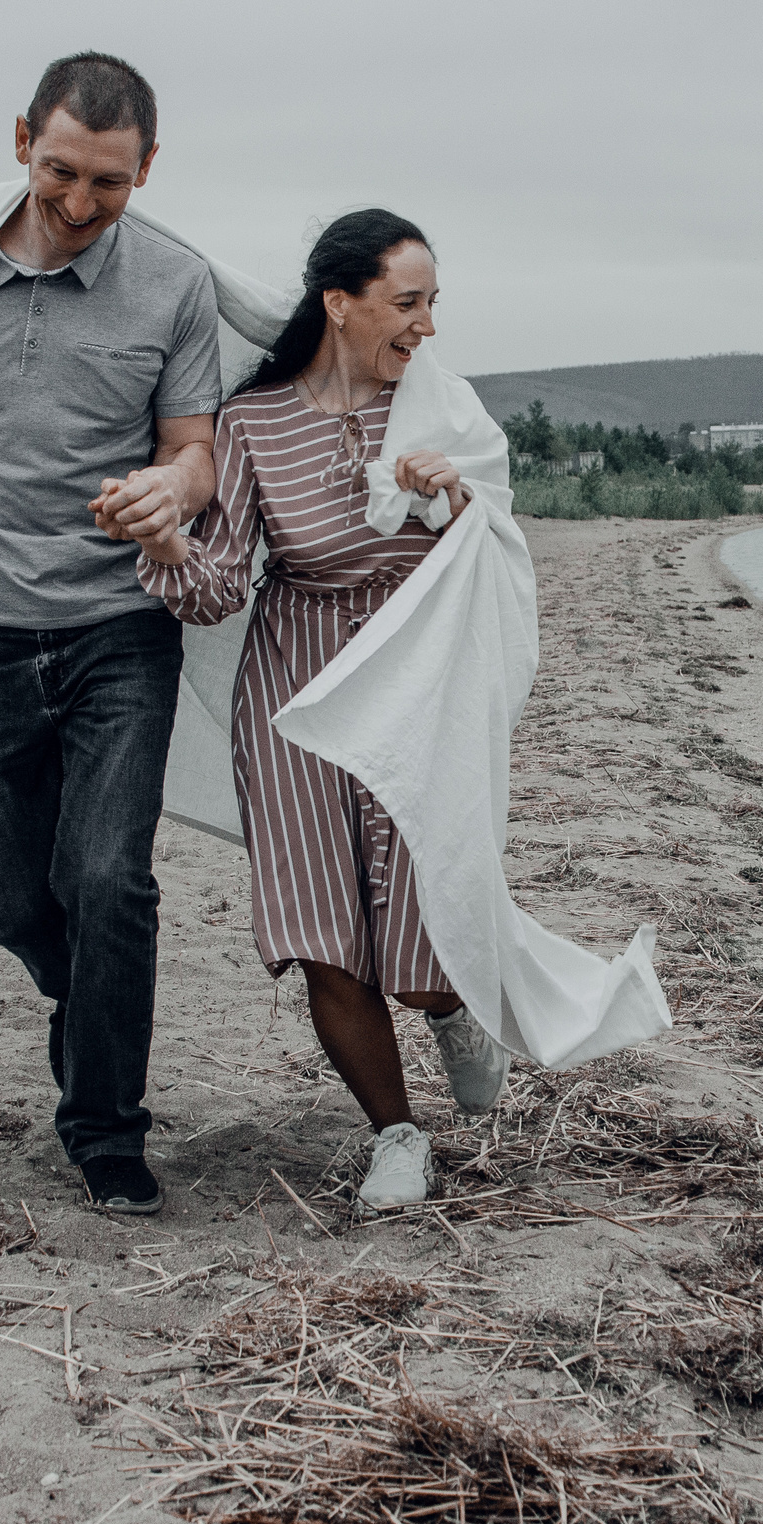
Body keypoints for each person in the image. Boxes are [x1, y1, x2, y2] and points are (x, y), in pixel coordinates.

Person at [121, 209, 514, 1213]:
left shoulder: (440, 406)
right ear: (340, 304)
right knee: (322, 929)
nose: (425, 326)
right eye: (407, 303)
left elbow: (501, 552)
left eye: (433, 303)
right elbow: (218, 587)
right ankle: (395, 1136)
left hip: (416, 677)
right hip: (293, 689)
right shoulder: (251, 421)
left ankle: (448, 1007)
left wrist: (455, 502)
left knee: (418, 930)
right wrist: (168, 545)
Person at [0, 52, 225, 1217]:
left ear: (148, 167)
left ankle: (106, 1131)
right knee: (13, 903)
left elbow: (191, 445)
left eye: (111, 182)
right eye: (60, 172)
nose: (81, 204)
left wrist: (174, 491)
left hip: (116, 630)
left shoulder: (174, 285)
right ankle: (79, 993)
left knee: (112, 881)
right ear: (18, 141)